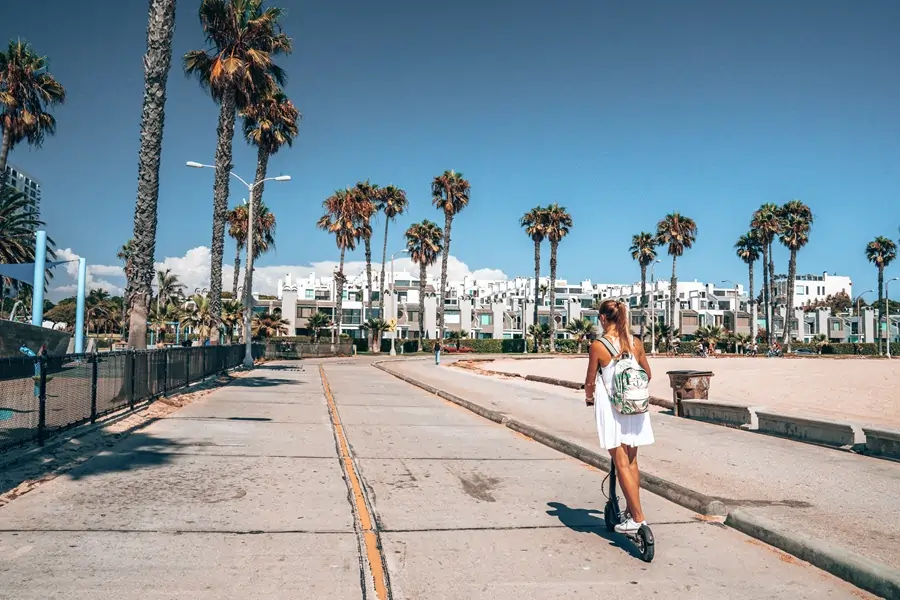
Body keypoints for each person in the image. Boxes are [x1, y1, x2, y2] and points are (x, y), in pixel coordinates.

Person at [583, 299, 654, 534]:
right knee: (632, 462)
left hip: (613, 408)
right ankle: (633, 512)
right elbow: (648, 374)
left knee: (620, 462)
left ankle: (638, 518)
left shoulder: (598, 346)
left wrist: (589, 397)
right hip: (635, 407)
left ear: (603, 318)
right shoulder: (635, 342)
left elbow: (590, 381)